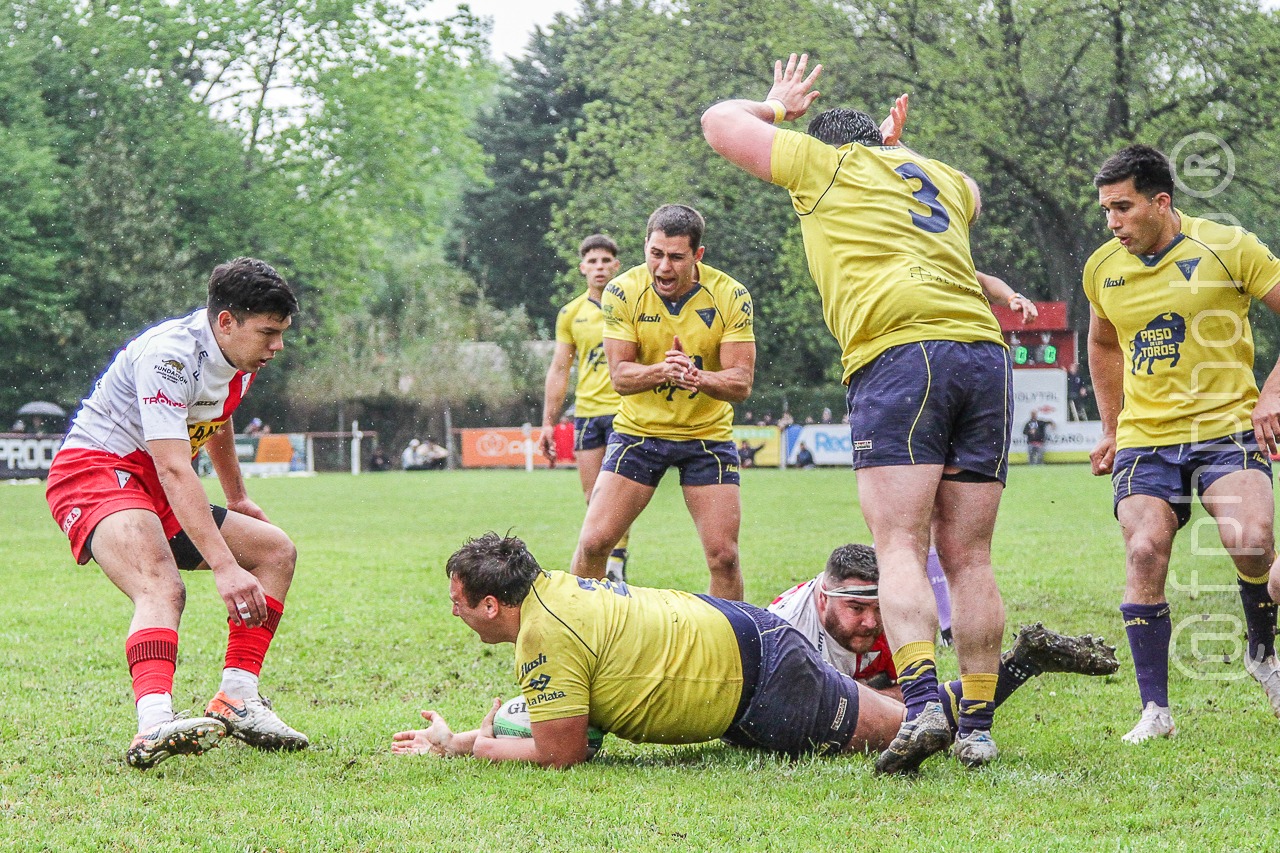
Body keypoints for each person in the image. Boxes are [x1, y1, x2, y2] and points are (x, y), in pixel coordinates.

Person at [703, 55, 1012, 770]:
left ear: (834, 148)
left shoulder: (826, 166)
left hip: (900, 352)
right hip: (982, 352)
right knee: (971, 556)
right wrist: (898, 147)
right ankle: (979, 724)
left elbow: (719, 124)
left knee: (900, 542)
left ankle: (925, 701)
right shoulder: (938, 178)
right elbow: (970, 191)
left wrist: (778, 106)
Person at [44, 257, 309, 770]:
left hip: (155, 481)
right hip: (97, 471)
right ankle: (153, 724)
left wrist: (237, 497)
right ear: (225, 321)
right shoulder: (170, 357)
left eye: (282, 333)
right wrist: (225, 567)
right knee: (161, 584)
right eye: (268, 333)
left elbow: (217, 419)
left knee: (275, 551)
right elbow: (172, 468)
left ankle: (237, 696)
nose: (277, 346)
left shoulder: (238, 359)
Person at [389, 533, 911, 767]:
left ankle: (967, 707)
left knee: (900, 731)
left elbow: (562, 752)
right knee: (901, 716)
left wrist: (485, 747)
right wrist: (452, 741)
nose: (453, 612)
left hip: (758, 683)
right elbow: (566, 713)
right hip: (745, 638)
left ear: (488, 605)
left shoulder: (544, 637)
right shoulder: (552, 591)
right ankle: (961, 699)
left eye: (457, 602)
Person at [1084, 144, 1280, 743]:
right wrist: (1113, 427)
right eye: (1106, 211)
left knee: (1250, 540)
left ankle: (1262, 655)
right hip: (1147, 437)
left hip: (1226, 428)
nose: (1113, 224)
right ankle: (1156, 711)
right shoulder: (1102, 268)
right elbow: (1104, 344)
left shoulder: (1229, 246)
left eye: (1123, 208)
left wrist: (1273, 393)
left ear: (1162, 202)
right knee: (1145, 551)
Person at [570, 205, 755, 600]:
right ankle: (582, 637)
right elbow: (620, 376)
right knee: (593, 543)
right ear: (645, 248)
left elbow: (740, 382)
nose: (663, 268)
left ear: (697, 256)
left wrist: (698, 377)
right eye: (655, 254)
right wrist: (664, 371)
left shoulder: (731, 295)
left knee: (725, 558)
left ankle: (726, 650)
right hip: (640, 434)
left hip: (706, 437)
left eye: (675, 257)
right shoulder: (622, 291)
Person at [767, 544, 1116, 710]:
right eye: (856, 608)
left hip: (845, 686)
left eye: (877, 608)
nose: (871, 622)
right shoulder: (786, 631)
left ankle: (1021, 664)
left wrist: (867, 698)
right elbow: (793, 710)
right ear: (824, 599)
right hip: (805, 693)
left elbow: (912, 692)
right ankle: (1019, 665)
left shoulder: (894, 611)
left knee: (915, 715)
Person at [538, 234, 631, 581]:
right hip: (588, 414)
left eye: (606, 261)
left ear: (616, 266)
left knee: (615, 494)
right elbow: (560, 369)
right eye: (592, 262)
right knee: (593, 497)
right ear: (582, 268)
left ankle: (616, 565)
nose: (600, 267)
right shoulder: (570, 314)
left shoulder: (631, 303)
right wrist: (548, 422)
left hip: (625, 412)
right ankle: (605, 563)